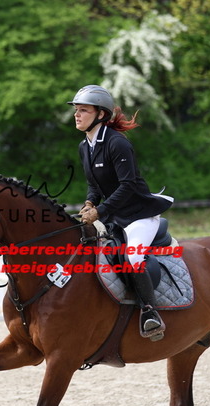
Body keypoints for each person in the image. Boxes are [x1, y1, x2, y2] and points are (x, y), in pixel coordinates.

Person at [68, 84, 173, 340]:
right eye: (76, 110)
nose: (77, 115)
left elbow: (128, 186)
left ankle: (150, 313)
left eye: (83, 110)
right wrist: (90, 203)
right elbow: (94, 185)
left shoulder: (117, 143)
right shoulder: (85, 146)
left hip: (139, 216)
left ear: (101, 114)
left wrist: (100, 211)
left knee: (133, 258)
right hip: (115, 218)